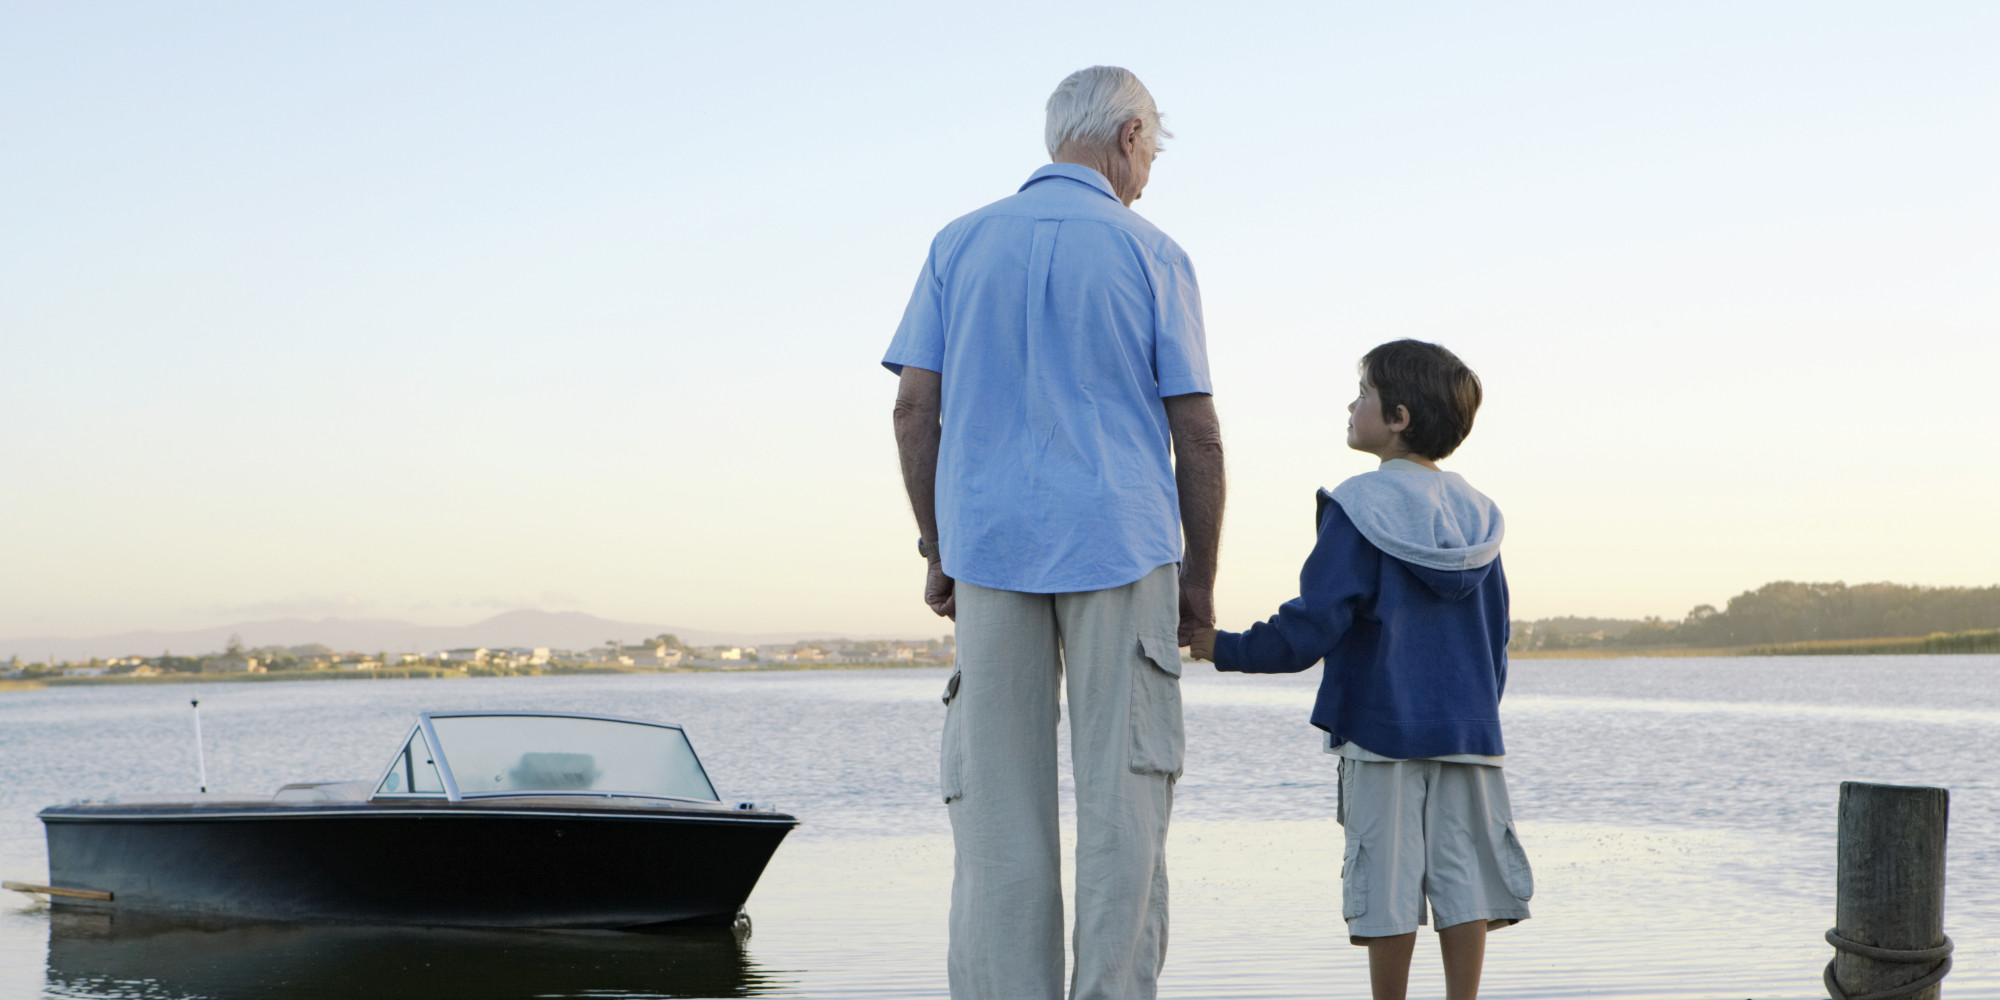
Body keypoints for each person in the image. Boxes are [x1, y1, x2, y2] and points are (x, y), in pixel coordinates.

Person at [884, 65, 1225, 1000]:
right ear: (1125, 136)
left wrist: (936, 546)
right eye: (1152, 144)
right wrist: (1199, 581)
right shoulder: (1153, 252)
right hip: (1123, 543)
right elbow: (1194, 428)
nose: (1151, 163)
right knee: (1124, 807)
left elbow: (915, 409)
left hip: (989, 548)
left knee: (996, 810)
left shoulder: (957, 244)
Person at [1188, 339, 1531, 1000]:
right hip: (1470, 733)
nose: (1350, 406)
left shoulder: (1359, 507)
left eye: (1363, 394)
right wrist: (1476, 714)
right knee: (1463, 879)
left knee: (1386, 880)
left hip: (1381, 733)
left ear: (1398, 416)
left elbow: (1311, 626)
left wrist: (1218, 645)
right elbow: (1496, 641)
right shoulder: (1480, 517)